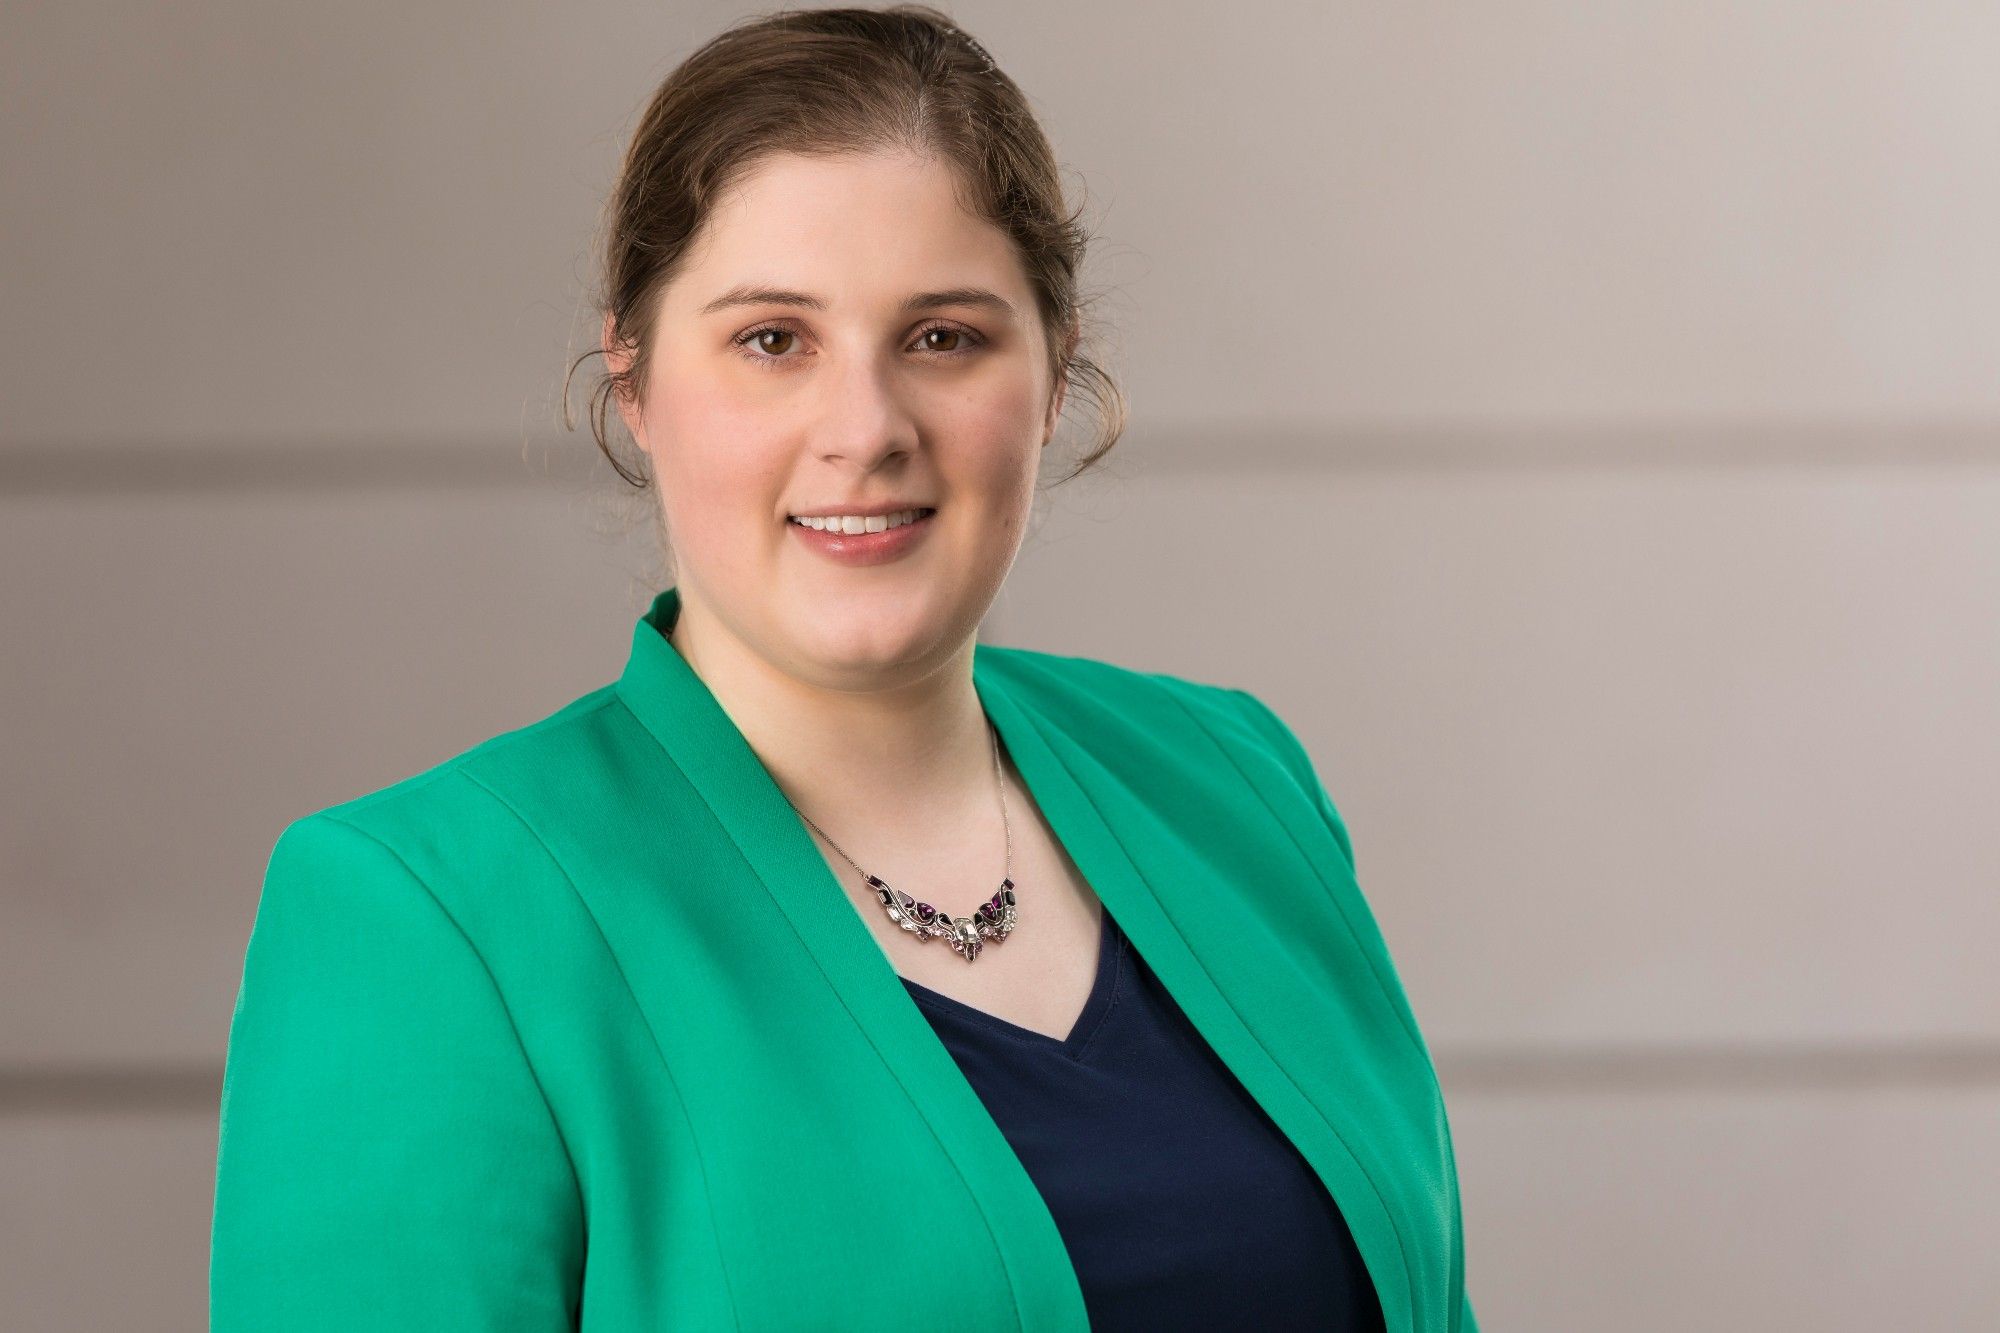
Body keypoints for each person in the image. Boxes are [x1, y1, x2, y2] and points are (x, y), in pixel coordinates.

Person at [208, 7, 1479, 1330]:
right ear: (635, 381)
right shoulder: (423, 913)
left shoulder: (1238, 782)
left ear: (1053, 375)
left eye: (943, 337)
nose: (865, 429)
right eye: (773, 340)